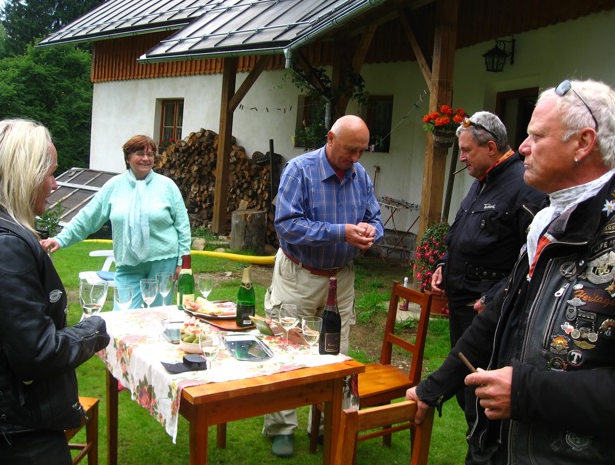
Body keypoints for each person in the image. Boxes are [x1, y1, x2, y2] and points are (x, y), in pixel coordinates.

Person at [407, 78, 615, 464]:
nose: (522, 147)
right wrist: (431, 389)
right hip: (498, 448)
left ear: (583, 143)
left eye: (537, 135)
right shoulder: (549, 223)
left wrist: (524, 392)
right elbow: (496, 316)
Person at [0, 119, 110, 463]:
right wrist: (95, 329)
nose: (55, 184)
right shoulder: (3, 245)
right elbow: (38, 353)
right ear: (25, 175)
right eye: (50, 173)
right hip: (15, 436)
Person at [263, 114, 384, 457]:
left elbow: (374, 218)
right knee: (288, 346)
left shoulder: (360, 175)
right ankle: (282, 428)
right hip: (299, 274)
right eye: (350, 150)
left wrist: (372, 232)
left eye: (362, 151)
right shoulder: (299, 171)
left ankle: (325, 424)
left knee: (336, 351)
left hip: (340, 277)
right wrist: (340, 232)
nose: (356, 158)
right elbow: (286, 225)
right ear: (330, 138)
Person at [430, 111, 546, 436]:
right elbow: (461, 232)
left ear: (491, 148)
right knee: (466, 388)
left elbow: (534, 257)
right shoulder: (482, 181)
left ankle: (484, 448)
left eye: (467, 150)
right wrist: (443, 264)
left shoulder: (524, 187)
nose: (462, 157)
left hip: (487, 314)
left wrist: (495, 296)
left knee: (482, 395)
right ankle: (476, 443)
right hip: (461, 307)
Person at [41, 135, 191, 308]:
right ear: (128, 158)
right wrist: (61, 239)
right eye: (140, 154)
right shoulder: (114, 186)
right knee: (122, 314)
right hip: (128, 262)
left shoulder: (167, 186)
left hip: (163, 262)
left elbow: (182, 226)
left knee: (158, 314)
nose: (146, 158)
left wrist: (182, 263)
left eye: (150, 154)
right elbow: (88, 217)